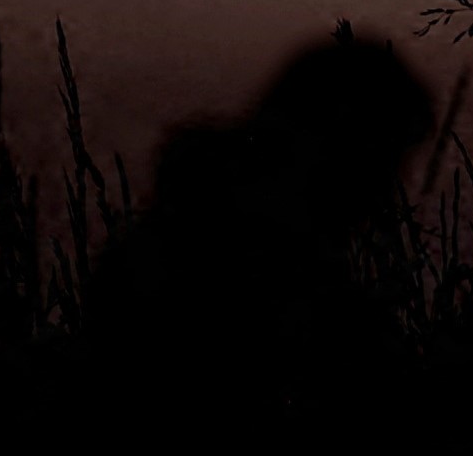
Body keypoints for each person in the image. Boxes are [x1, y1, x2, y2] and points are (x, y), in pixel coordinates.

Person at [95, 28, 437, 363]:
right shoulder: (249, 272)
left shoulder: (194, 233)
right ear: (335, 147)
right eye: (383, 161)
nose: (390, 190)